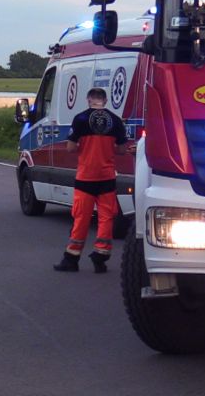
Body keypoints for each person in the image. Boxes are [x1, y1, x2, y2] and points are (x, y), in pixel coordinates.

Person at [54, 87, 134, 273]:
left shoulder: (81, 119)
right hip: (107, 177)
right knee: (106, 217)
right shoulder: (115, 120)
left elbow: (71, 148)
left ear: (89, 100)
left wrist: (85, 146)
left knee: (81, 218)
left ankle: (72, 258)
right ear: (105, 101)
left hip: (86, 177)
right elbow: (122, 150)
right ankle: (101, 256)